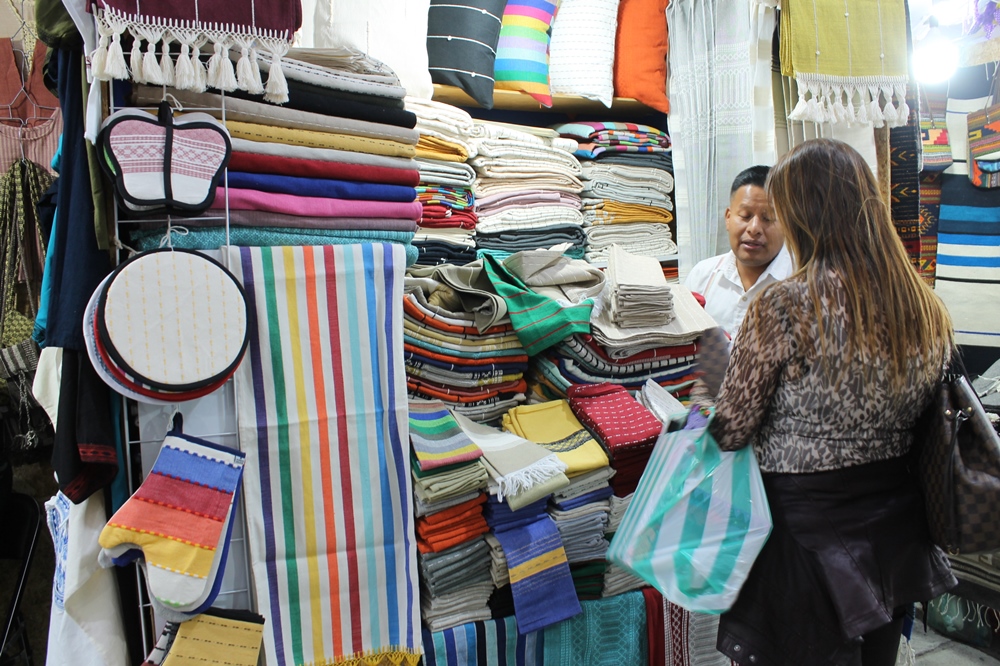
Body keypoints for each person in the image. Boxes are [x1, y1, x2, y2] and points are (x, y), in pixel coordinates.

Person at [698, 139, 957, 666]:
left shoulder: (786, 303)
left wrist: (710, 381)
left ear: (804, 215)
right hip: (895, 522)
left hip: (806, 532)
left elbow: (732, 429)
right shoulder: (922, 303)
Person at [685, 165, 793, 337]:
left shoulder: (802, 284)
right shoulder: (701, 277)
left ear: (787, 223)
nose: (754, 228)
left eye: (768, 218)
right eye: (745, 215)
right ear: (728, 218)